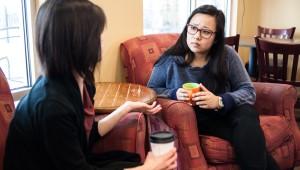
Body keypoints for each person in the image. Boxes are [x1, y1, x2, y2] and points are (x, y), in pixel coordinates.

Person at [4, 0, 177, 170]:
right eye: (97, 34)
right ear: (77, 41)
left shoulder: (81, 81)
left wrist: (127, 107)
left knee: (130, 159)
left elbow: (88, 134)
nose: (102, 39)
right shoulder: (51, 105)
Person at [147, 4, 279, 170]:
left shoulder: (227, 54)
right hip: (195, 118)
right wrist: (174, 93)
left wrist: (219, 101)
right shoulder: (170, 58)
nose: (196, 36)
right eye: (193, 28)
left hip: (226, 112)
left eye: (206, 31)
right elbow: (150, 90)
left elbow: (248, 91)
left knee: (247, 115)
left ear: (216, 37)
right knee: (249, 140)